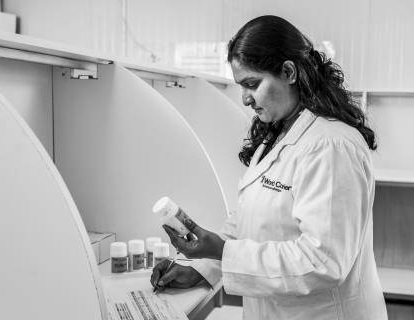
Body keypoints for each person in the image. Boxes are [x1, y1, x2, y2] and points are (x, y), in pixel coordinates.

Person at [151, 15, 388, 320]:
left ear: (289, 72)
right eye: (242, 86)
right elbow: (253, 223)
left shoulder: (330, 145)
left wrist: (220, 250)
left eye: (252, 84)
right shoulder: (278, 134)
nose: (245, 98)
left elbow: (322, 262)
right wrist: (203, 268)